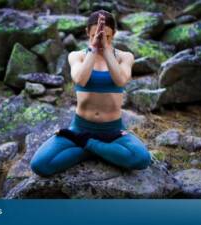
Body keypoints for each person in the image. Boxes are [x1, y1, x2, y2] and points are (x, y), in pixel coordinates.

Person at [30, 9, 152, 177]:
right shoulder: (76, 56)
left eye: (107, 37)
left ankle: (89, 146)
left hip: (113, 131)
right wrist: (93, 50)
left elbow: (121, 80)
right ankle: (101, 151)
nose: (102, 40)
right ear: (87, 32)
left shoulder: (125, 57)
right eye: (95, 35)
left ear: (114, 34)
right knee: (40, 164)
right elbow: (80, 79)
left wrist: (107, 51)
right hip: (80, 128)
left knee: (142, 159)